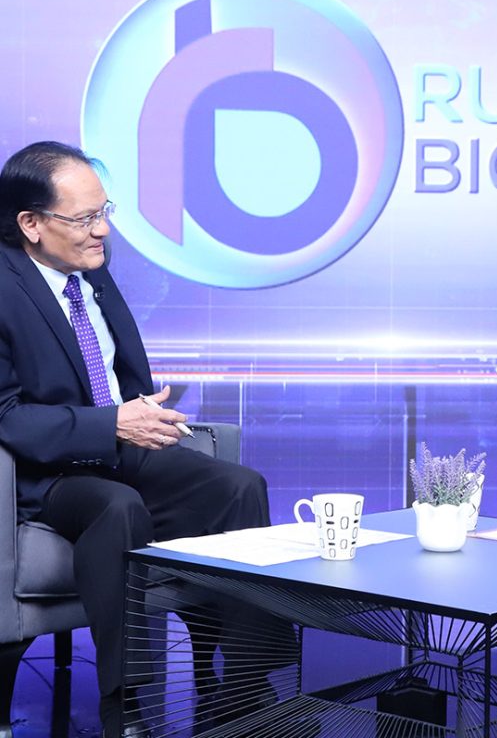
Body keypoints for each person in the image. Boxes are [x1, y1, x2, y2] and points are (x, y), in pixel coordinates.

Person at [0, 142, 291, 738]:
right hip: (52, 473)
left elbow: (115, 369)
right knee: (118, 507)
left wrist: (142, 416)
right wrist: (110, 423)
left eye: (104, 211)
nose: (102, 230)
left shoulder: (90, 265)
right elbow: (8, 418)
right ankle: (125, 701)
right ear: (30, 223)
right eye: (84, 218)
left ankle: (245, 685)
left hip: (122, 446)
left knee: (238, 487)